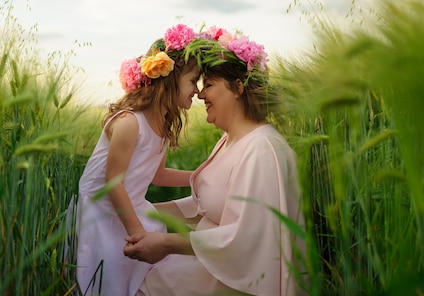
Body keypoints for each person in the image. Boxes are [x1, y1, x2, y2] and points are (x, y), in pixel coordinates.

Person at [123, 26, 306, 296]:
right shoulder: (229, 139)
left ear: (238, 88)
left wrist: (165, 243)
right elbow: (204, 206)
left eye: (208, 85)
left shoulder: (262, 150)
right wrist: (133, 213)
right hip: (201, 267)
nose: (199, 94)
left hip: (224, 282)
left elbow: (246, 239)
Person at [67, 24, 204, 296]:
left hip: (131, 207)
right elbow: (113, 183)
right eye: (193, 81)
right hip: (104, 213)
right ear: (170, 78)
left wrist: (198, 176)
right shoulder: (130, 122)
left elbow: (158, 175)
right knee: (111, 281)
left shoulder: (161, 125)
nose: (197, 90)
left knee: (145, 278)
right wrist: (138, 233)